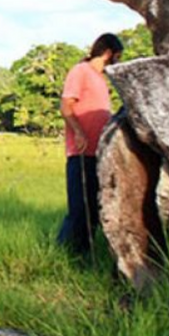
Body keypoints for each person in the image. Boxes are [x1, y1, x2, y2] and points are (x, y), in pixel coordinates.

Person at [56, 32, 124, 256]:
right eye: (117, 57)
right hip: (81, 150)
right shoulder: (81, 72)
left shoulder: (100, 79)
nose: (117, 63)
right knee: (79, 208)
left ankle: (85, 254)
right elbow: (66, 106)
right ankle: (64, 253)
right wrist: (79, 133)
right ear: (107, 53)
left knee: (94, 209)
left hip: (99, 152)